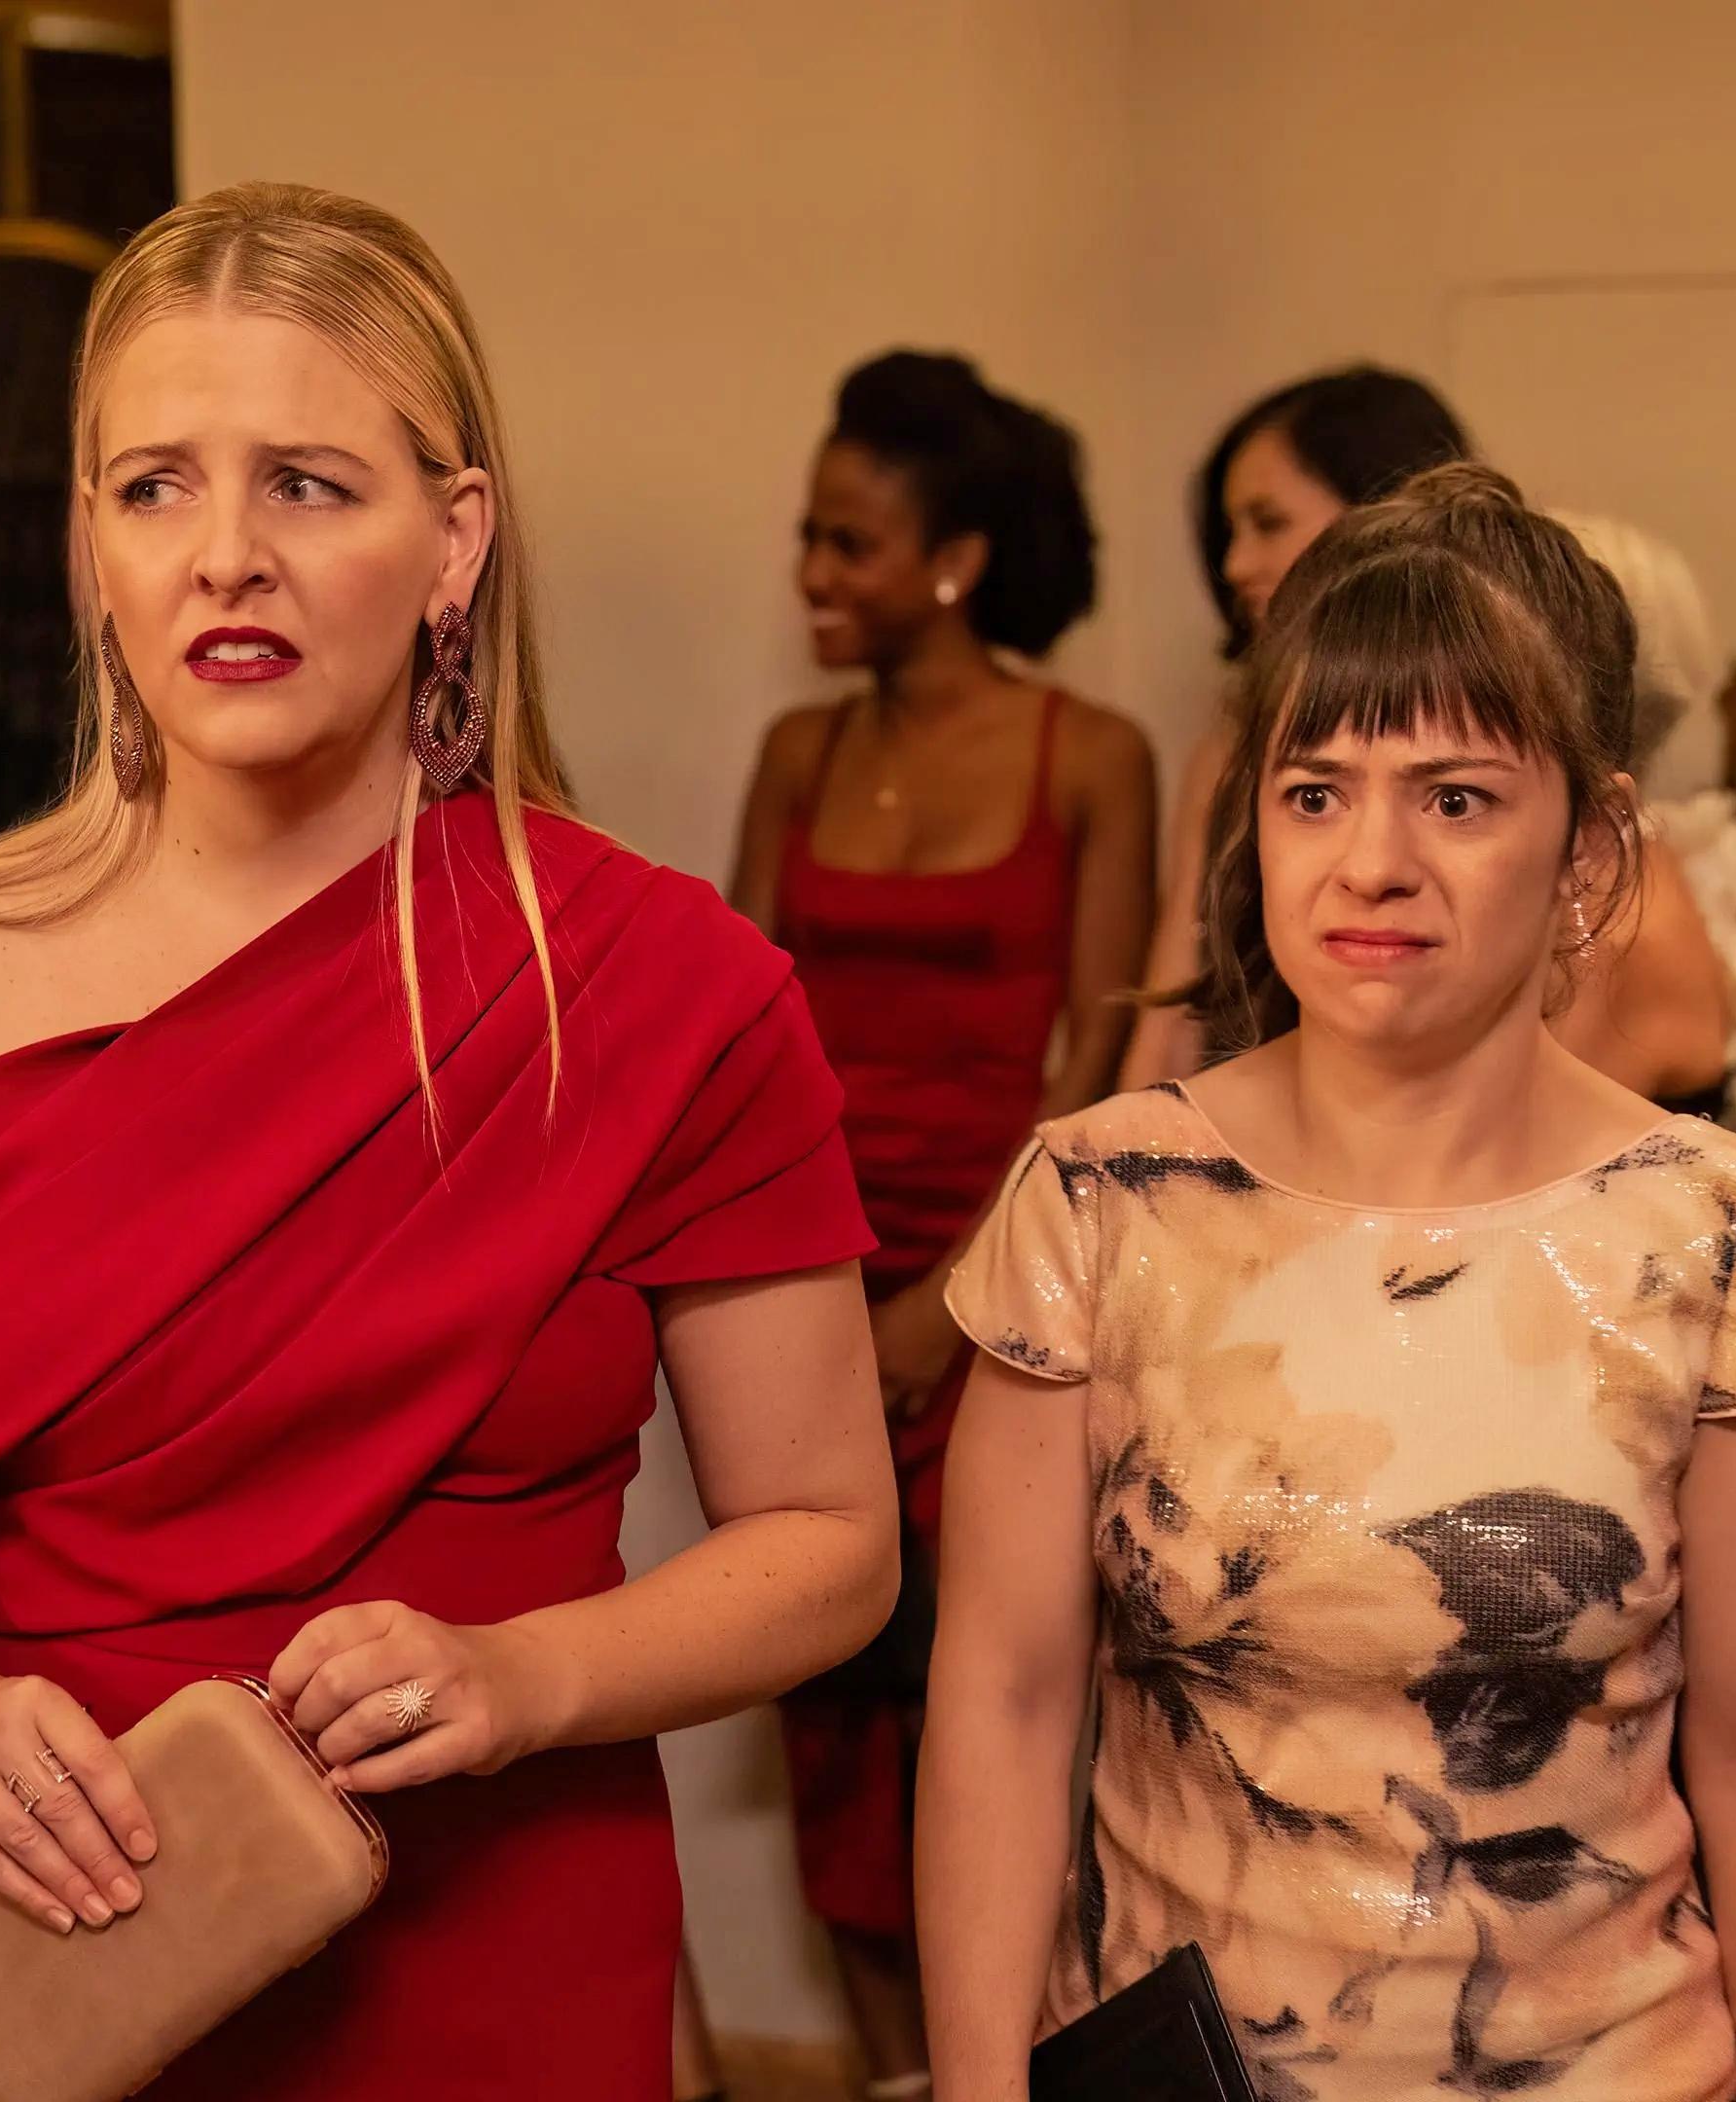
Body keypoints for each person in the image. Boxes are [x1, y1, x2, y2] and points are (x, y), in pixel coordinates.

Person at [0, 181, 902, 2101]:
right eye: (155, 489)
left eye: (307, 485)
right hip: (65, 1941)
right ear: (92, 546)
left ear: (455, 543)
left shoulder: (660, 989)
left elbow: (831, 1546)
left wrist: (526, 1674)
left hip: (497, 1952)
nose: (227, 559)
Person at [921, 465, 1736, 2101]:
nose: (1370, 862)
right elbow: (1002, 1706)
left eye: (1455, 799)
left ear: (1591, 852)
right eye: (1316, 793)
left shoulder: (1730, 1246)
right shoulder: (1100, 1205)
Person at [719, 350, 1158, 2101]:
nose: (812, 575)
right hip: (803, 1278)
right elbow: (738, 1038)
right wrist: (791, 1300)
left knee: (990, 1704)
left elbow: (1099, 1066)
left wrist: (944, 1309)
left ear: (958, 562)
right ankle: (893, 2077)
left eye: (851, 543)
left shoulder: (1092, 756)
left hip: (1012, 1287)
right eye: (807, 537)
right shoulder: (797, 752)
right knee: (822, 1706)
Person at [1119, 368, 1731, 1104]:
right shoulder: (1225, 758)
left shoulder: (1609, 908)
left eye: (1453, 801)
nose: (1235, 564)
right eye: (1314, 798)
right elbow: (1178, 1000)